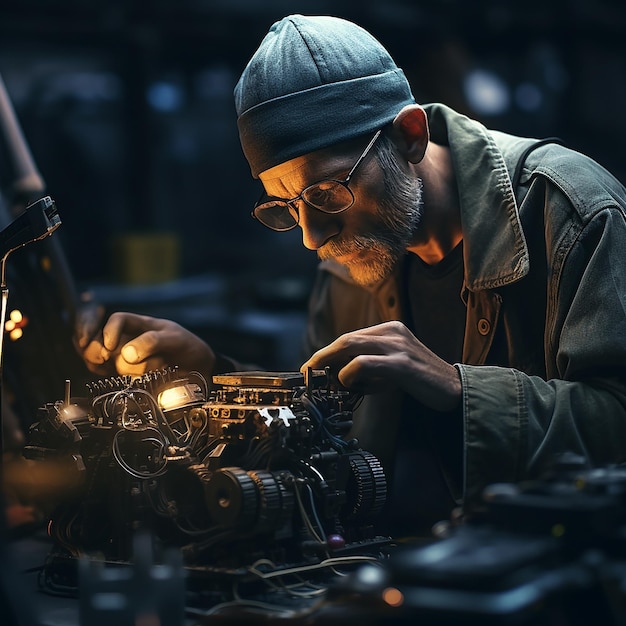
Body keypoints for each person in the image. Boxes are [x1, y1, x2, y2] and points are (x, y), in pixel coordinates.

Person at [78, 14, 626, 538]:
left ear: (410, 136)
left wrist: (457, 388)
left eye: (327, 191)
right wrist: (215, 378)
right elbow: (324, 433)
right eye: (285, 207)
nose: (312, 237)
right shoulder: (351, 258)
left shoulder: (570, 213)